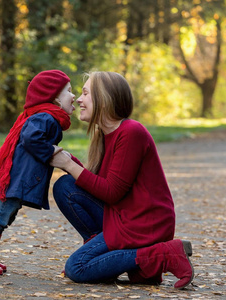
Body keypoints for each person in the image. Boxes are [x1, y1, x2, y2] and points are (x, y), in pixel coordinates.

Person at [50, 71, 194, 289]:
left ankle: (164, 253)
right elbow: (97, 186)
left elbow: (111, 192)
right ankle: (105, 261)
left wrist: (68, 165)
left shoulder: (131, 132)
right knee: (65, 186)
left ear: (103, 98)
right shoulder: (104, 135)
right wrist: (68, 162)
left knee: (76, 268)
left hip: (143, 223)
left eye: (85, 93)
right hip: (122, 216)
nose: (79, 99)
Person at [0, 70, 75, 275]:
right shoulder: (46, 117)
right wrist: (50, 151)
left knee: (6, 216)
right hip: (16, 178)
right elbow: (30, 137)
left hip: (19, 179)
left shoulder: (48, 117)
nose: (74, 96)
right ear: (54, 98)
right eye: (69, 91)